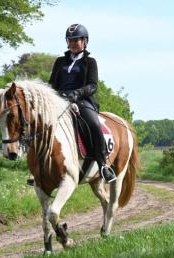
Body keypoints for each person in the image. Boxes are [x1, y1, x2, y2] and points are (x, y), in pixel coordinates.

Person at [28, 23, 115, 185]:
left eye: (77, 40)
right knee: (38, 123)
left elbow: (92, 85)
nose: (73, 43)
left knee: (93, 124)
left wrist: (77, 93)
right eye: (70, 40)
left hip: (82, 100)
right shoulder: (60, 61)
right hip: (58, 100)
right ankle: (37, 167)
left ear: (85, 41)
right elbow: (52, 83)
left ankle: (103, 165)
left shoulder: (90, 62)